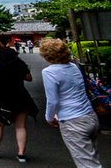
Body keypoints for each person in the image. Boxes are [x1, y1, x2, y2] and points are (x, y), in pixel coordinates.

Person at [40, 38, 102, 168]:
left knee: (86, 163)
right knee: (92, 158)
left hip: (72, 121)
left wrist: (49, 117)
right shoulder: (74, 67)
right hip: (89, 115)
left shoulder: (49, 72)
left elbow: (53, 100)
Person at [0, 39, 38, 162]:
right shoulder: (19, 65)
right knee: (20, 126)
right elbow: (29, 78)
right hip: (20, 96)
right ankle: (21, 153)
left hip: (2, 97)